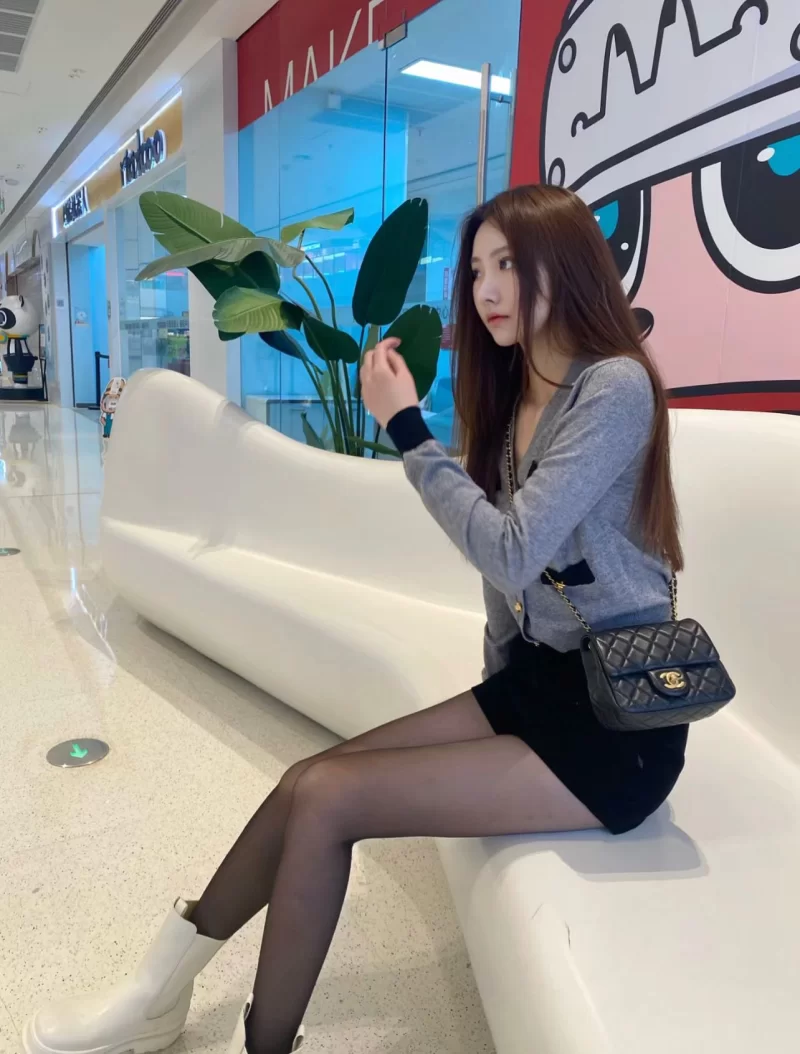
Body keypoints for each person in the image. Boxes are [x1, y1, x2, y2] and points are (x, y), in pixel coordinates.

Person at [24, 185, 688, 1054]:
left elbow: (511, 551)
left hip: (614, 726)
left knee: (332, 799)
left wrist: (407, 428)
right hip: (534, 686)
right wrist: (494, 697)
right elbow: (508, 591)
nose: (487, 289)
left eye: (508, 265)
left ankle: (262, 1043)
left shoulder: (615, 387)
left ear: (564, 265)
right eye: (476, 270)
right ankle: (159, 990)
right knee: (308, 777)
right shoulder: (517, 390)